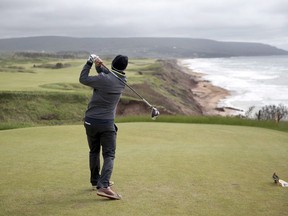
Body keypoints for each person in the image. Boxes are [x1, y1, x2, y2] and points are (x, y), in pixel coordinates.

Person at [79, 54, 128, 200]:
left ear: (112, 64)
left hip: (90, 121)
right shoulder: (122, 80)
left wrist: (89, 62)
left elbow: (83, 79)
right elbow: (107, 75)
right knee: (109, 155)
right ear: (124, 67)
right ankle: (104, 186)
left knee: (94, 151)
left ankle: (96, 180)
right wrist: (99, 66)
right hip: (106, 123)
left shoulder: (103, 79)